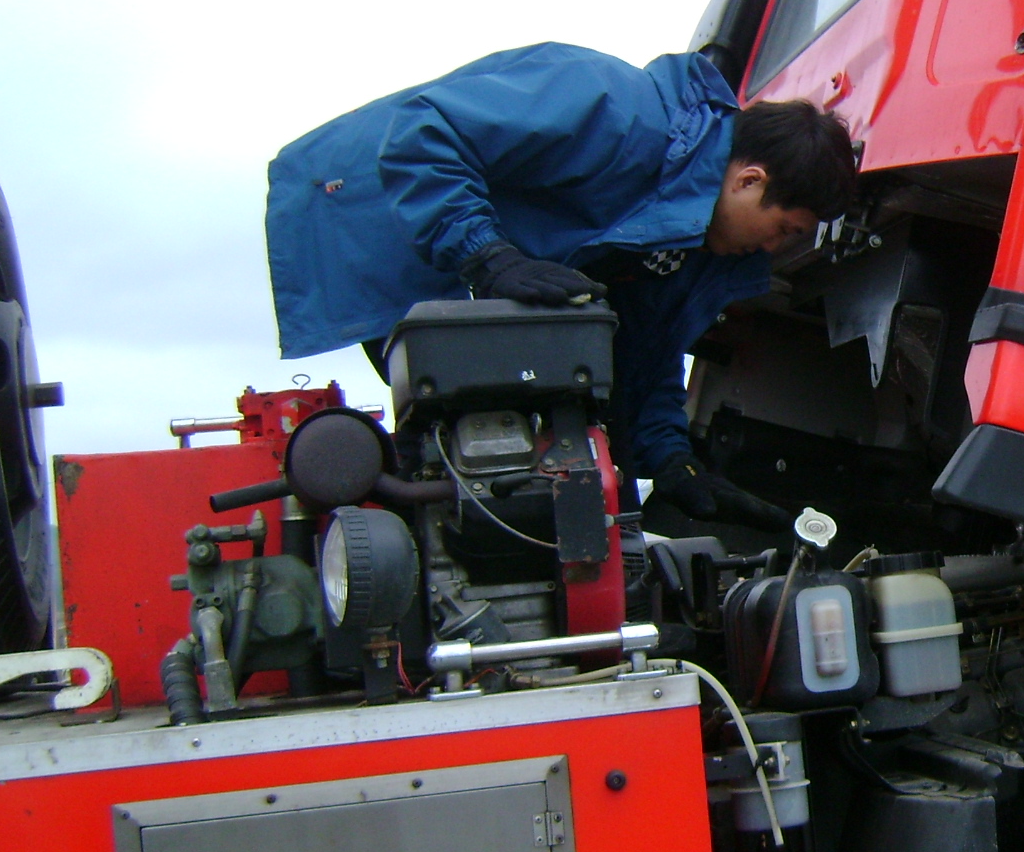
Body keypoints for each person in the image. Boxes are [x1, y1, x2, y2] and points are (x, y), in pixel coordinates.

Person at [264, 41, 859, 528]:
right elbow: (425, 131)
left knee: (513, 453)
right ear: (750, 181)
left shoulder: (697, 249)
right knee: (458, 440)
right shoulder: (616, 109)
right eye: (785, 229)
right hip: (377, 206)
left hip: (463, 251)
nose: (774, 248)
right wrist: (486, 255)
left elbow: (648, 351)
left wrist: (673, 461)